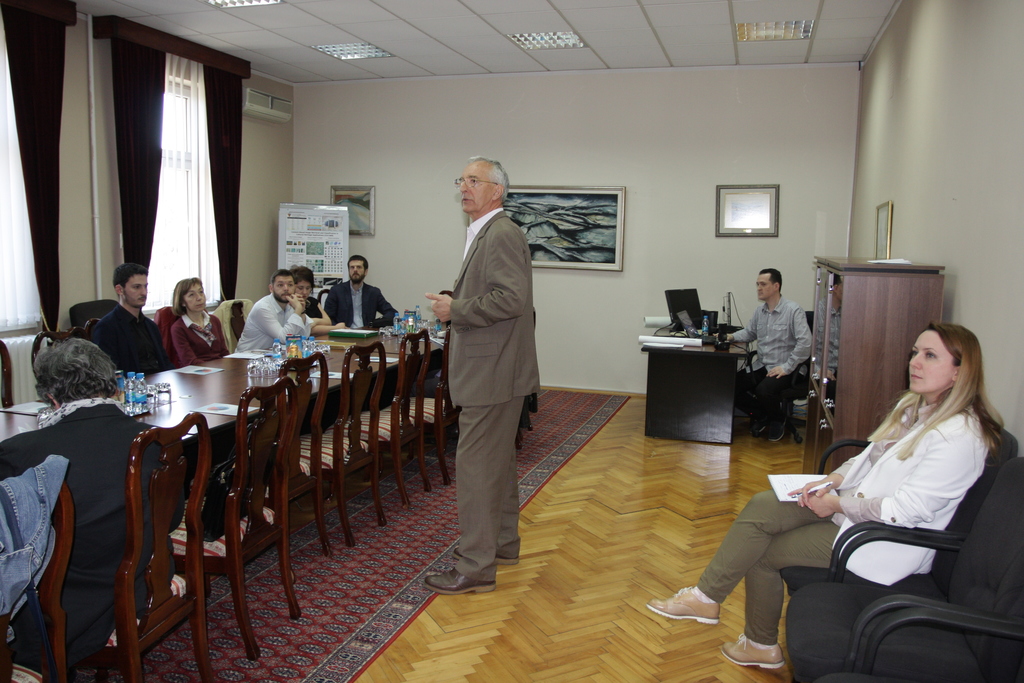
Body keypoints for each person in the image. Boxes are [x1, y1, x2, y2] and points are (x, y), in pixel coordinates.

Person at [646, 322, 1001, 670]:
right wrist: (831, 480)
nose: (914, 362)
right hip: (854, 508)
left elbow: (906, 511)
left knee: (763, 552)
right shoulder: (915, 408)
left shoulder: (958, 437)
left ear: (959, 372)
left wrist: (837, 504)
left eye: (929, 355)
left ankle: (760, 645)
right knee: (763, 505)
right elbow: (867, 457)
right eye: (914, 353)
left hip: (883, 540)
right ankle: (706, 597)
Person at [0, 339, 179, 669]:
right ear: (112, 385)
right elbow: (171, 519)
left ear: (50, 396)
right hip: (145, 581)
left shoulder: (20, 453)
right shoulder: (155, 441)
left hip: (64, 605)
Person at [422, 156, 540, 595]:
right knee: (498, 464)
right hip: (498, 369)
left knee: (475, 470)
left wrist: (456, 309)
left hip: (492, 372)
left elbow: (512, 299)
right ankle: (503, 544)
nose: (464, 187)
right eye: (463, 180)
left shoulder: (501, 233)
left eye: (474, 180)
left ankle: (474, 566)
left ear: (497, 190)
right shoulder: (488, 231)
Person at [727, 268, 812, 441]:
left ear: (776, 286)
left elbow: (805, 343)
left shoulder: (793, 310)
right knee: (729, 386)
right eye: (757, 284)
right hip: (763, 364)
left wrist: (787, 367)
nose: (759, 288)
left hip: (788, 367)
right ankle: (766, 415)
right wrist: (730, 337)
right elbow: (750, 332)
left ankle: (777, 420)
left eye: (763, 284)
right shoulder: (760, 311)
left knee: (763, 390)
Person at [91, 262, 174, 374]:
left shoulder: (151, 326)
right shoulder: (107, 327)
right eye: (136, 287)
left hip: (160, 380)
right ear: (119, 290)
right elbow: (109, 372)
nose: (144, 292)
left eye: (145, 286)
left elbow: (165, 363)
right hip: (132, 383)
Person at [235, 269, 313, 353]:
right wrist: (297, 310)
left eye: (290, 285)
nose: (286, 289)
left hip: (273, 354)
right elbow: (284, 338)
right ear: (271, 288)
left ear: (294, 287)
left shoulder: (291, 304)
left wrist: (302, 311)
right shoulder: (263, 308)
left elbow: (304, 336)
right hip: (248, 356)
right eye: (280, 285)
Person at [168, 277, 229, 367]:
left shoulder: (214, 320)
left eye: (201, 292)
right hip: (196, 373)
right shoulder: (178, 328)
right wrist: (216, 368)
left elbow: (224, 353)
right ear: (182, 302)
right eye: (191, 295)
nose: (199, 298)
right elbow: (189, 362)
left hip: (220, 370)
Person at [323, 255, 398, 328]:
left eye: (359, 267)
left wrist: (375, 323)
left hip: (366, 332)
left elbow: (392, 313)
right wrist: (339, 327)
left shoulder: (373, 292)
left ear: (366, 271)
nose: (355, 270)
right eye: (352, 267)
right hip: (344, 332)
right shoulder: (337, 291)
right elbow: (327, 317)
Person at [290, 265, 347, 336]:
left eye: (308, 288)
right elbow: (308, 329)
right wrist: (336, 328)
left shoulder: (313, 301)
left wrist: (315, 321)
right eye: (300, 288)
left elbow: (328, 321)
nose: (305, 292)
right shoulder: (291, 304)